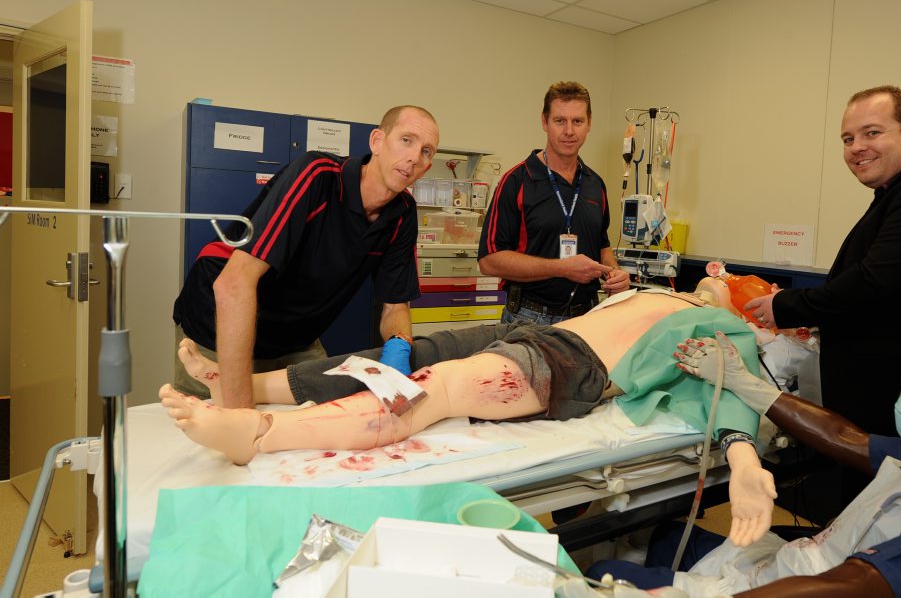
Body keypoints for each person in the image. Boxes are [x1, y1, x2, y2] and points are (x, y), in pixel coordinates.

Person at [162, 283, 780, 541]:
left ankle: (260, 433)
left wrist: (745, 460)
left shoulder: (726, 325)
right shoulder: (654, 288)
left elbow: (729, 390)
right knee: (390, 357)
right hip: (530, 328)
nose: (721, 279)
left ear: (748, 307)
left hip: (569, 363)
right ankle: (242, 387)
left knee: (435, 388)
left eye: (737, 284)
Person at [585, 334, 901, 596]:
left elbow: (853, 587)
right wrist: (745, 382)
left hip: (790, 584)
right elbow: (844, 437)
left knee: (596, 576)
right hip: (787, 560)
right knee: (660, 535)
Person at [744, 85, 901, 437]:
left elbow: (874, 282)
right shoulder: (898, 191)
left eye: (872, 132)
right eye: (847, 138)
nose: (856, 147)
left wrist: (786, 305)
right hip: (880, 394)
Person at [172, 105, 439, 409]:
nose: (415, 157)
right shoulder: (318, 176)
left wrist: (398, 347)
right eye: (407, 140)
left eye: (427, 151)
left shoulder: (403, 214)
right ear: (377, 141)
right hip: (220, 322)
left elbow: (395, 306)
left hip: (294, 336)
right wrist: (240, 413)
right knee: (215, 434)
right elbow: (233, 283)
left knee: (324, 418)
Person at [478, 81, 630, 325]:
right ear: (544, 122)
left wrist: (615, 272)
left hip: (587, 317)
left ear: (589, 123)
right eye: (560, 121)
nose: (569, 131)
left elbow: (602, 245)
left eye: (577, 121)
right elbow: (488, 260)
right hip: (529, 318)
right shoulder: (517, 181)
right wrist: (561, 268)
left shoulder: (595, 184)